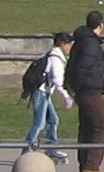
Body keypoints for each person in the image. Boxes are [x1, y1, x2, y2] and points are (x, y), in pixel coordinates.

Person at [69, 11, 104, 172]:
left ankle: (85, 166)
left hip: (83, 90)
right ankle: (91, 167)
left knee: (87, 128)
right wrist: (79, 87)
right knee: (102, 126)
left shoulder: (82, 41)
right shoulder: (91, 44)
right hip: (89, 90)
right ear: (100, 25)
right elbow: (83, 68)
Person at [23, 31, 75, 163]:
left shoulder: (53, 55)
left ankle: (51, 148)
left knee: (53, 120)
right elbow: (57, 81)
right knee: (39, 123)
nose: (70, 47)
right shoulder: (55, 58)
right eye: (69, 44)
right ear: (62, 44)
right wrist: (66, 97)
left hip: (45, 93)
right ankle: (27, 149)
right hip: (40, 93)